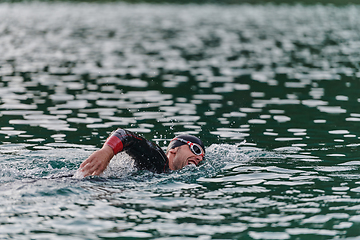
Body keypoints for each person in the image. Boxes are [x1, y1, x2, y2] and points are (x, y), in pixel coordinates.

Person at [79, 128, 205, 177]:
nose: (199, 158)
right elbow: (125, 135)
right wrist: (106, 151)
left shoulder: (167, 173)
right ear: (174, 149)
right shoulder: (157, 158)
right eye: (196, 150)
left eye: (202, 157)